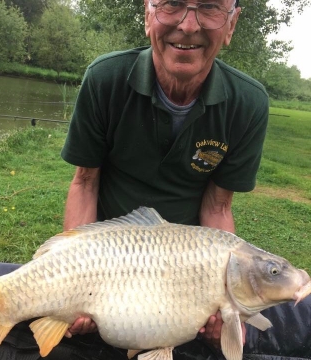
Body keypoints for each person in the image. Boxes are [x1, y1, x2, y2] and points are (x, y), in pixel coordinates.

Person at [61, 0, 268, 356]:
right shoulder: (105, 78)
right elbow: (85, 183)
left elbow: (218, 206)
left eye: (209, 8)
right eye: (172, 4)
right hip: (106, 257)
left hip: (187, 269)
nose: (189, 25)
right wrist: (71, 274)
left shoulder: (248, 103)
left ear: (231, 25)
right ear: (147, 16)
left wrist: (225, 294)